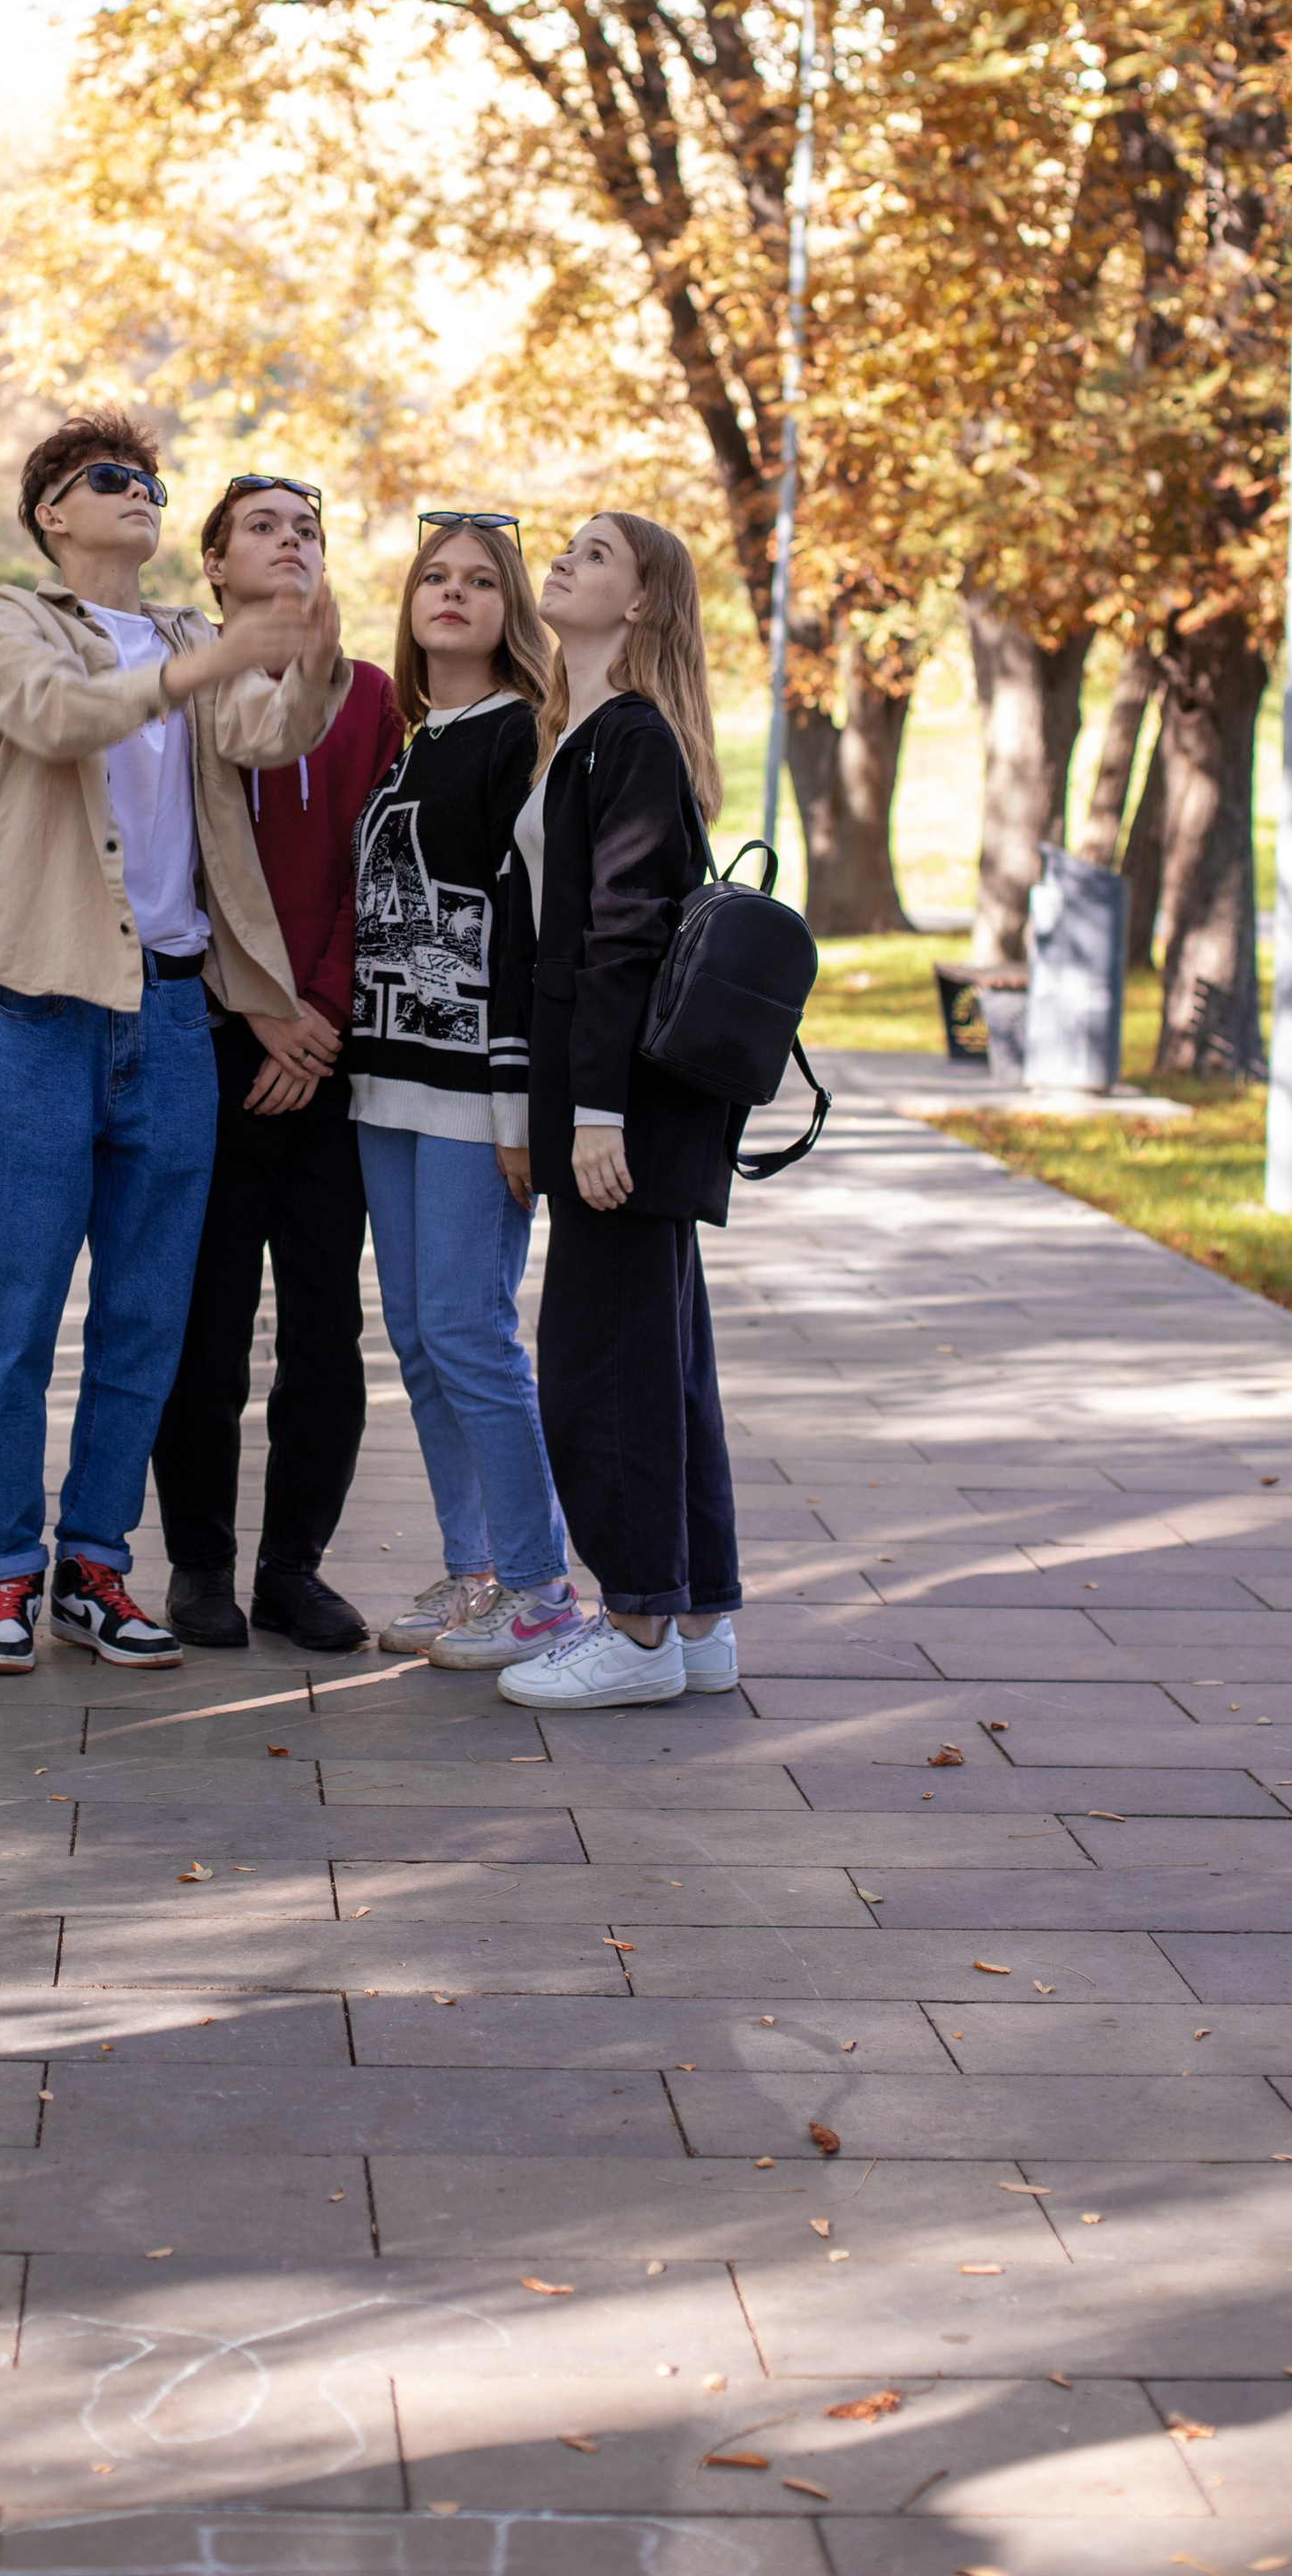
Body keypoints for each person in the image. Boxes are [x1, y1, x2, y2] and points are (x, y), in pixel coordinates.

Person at [0, 412, 348, 1678]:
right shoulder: (9, 621)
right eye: (108, 479)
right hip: (44, 1014)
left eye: (150, 481)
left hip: (176, 1020)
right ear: (52, 513)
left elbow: (264, 736)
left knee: (145, 1322)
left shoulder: (192, 639)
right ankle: (4, 1576)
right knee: (13, 1317)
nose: (139, 493)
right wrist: (213, 658)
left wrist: (307, 634)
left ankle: (96, 1568)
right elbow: (58, 721)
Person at [491, 511, 744, 1713]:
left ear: (640, 604)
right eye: (572, 546)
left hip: (621, 1110)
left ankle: (636, 1625)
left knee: (601, 1366)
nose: (567, 561)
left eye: (598, 555)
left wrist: (595, 1115)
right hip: (619, 1104)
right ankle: (692, 1620)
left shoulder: (625, 740)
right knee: (663, 1358)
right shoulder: (582, 735)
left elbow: (624, 937)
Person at [149, 477, 404, 1653]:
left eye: (307, 530)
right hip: (215, 1049)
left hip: (329, 1059)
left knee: (322, 1331)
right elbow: (176, 871)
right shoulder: (180, 689)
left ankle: (293, 1567)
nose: (291, 543)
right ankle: (199, 1567)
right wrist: (259, 1016)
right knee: (205, 1327)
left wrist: (325, 1018)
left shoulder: (369, 698)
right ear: (213, 564)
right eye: (264, 528)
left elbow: (381, 876)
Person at [349, 512, 580, 1671]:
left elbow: (527, 935)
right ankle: (476, 1566)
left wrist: (516, 1104)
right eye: (434, 577)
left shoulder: (519, 740)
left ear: (512, 606)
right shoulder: (407, 739)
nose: (452, 594)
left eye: (479, 580)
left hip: (472, 1091)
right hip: (386, 1080)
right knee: (417, 1332)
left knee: (468, 1328)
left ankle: (541, 1589)